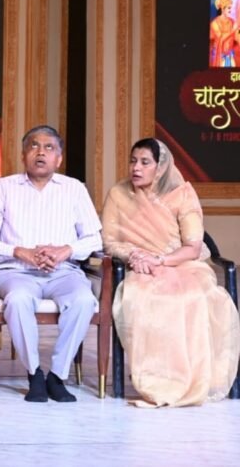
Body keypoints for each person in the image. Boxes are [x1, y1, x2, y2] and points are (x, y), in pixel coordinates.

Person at [101, 138, 240, 407]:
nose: (136, 168)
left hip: (181, 265)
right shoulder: (118, 194)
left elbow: (193, 247)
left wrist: (160, 260)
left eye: (145, 162)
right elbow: (109, 241)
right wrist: (134, 255)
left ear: (161, 167)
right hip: (140, 267)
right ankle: (160, 379)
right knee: (145, 298)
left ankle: (198, 379)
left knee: (198, 298)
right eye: (133, 161)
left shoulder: (182, 194)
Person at [0, 125, 102, 403]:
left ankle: (57, 375)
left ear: (59, 158)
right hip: (14, 271)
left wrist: (65, 251)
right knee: (18, 300)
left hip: (63, 271)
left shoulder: (74, 189)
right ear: (23, 155)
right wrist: (19, 252)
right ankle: (34, 374)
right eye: (34, 146)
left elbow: (94, 239)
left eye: (49, 147)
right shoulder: (4, 188)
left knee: (83, 300)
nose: (40, 152)